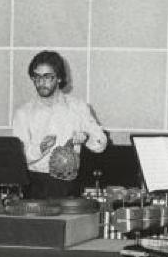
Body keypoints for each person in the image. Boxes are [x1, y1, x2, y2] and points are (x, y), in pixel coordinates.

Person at [11, 50, 108, 200]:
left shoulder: (78, 107)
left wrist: (87, 137)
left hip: (70, 186)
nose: (41, 82)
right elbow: (17, 157)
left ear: (59, 78)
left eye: (47, 77)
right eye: (36, 77)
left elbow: (101, 143)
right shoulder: (23, 113)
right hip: (35, 186)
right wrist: (40, 148)